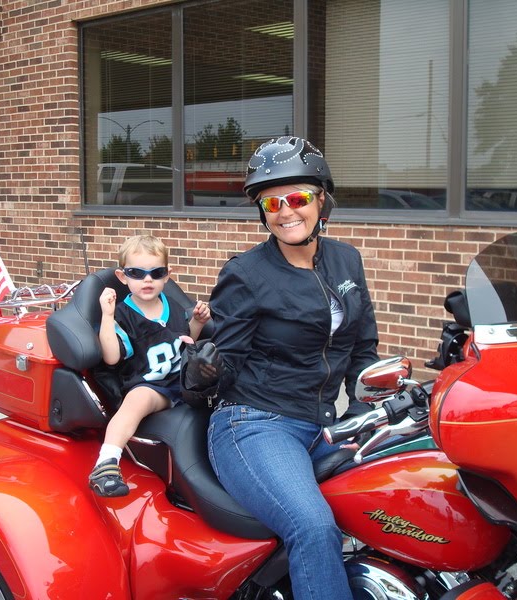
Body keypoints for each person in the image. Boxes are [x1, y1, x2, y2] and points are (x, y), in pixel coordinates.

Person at [185, 136, 380, 599]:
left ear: (321, 200)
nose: (286, 211)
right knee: (313, 526)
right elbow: (225, 360)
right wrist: (202, 373)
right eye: (272, 203)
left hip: (325, 423)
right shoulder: (247, 273)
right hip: (255, 423)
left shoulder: (347, 260)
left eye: (298, 198)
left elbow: (362, 349)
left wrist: (364, 407)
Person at [89, 234, 211, 497]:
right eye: (137, 273)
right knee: (137, 401)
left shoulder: (173, 305)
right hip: (150, 384)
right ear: (123, 277)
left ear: (167, 276)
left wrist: (198, 323)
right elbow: (111, 357)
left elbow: (184, 340)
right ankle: (106, 463)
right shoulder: (122, 314)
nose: (147, 280)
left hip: (183, 380)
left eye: (156, 273)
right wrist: (107, 316)